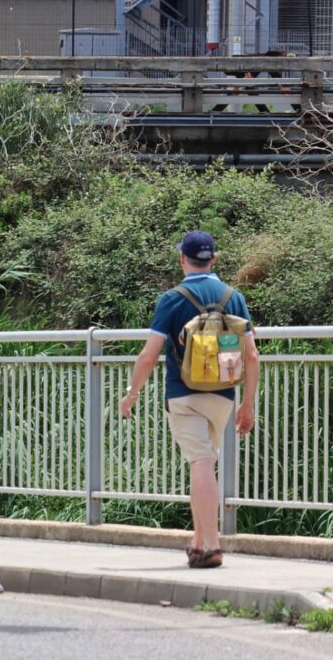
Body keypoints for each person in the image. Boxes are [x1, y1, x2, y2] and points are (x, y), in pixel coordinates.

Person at [119, 231, 260, 569]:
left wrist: (132, 392)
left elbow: (149, 354)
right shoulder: (233, 297)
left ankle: (212, 545)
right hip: (223, 397)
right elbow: (252, 355)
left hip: (184, 395)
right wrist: (248, 403)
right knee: (205, 463)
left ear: (182, 259)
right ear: (214, 259)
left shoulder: (172, 298)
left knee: (200, 463)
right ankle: (197, 543)